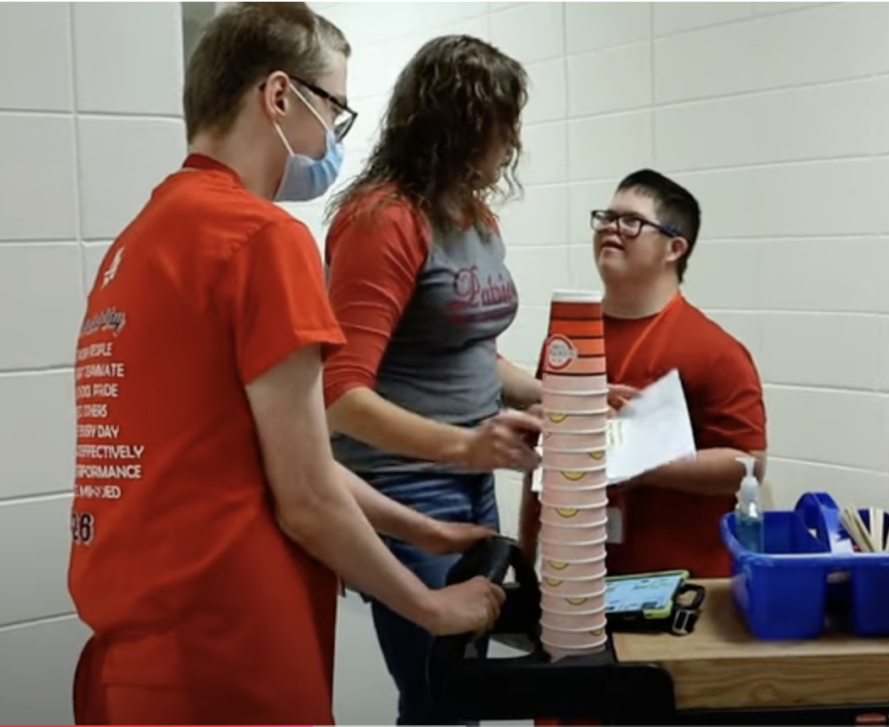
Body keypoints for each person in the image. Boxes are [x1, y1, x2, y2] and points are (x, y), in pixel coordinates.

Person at [68, 6, 504, 725]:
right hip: (230, 652)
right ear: (278, 96)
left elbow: (264, 458)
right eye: (334, 108)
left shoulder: (140, 241)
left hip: (137, 660)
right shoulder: (262, 237)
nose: (335, 137)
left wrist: (423, 531)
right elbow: (303, 498)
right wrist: (429, 604)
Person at [322, 35, 545, 726]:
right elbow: (339, 397)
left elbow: (478, 356)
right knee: (435, 690)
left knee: (462, 685)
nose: (511, 141)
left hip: (471, 482)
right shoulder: (383, 219)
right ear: (461, 122)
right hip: (400, 483)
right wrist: (463, 447)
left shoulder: (476, 218)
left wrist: (564, 396)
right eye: (502, 122)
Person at [520, 169, 768, 579]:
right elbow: (540, 460)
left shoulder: (716, 351)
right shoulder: (567, 341)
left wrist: (631, 458)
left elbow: (749, 465)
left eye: (631, 221)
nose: (611, 229)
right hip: (576, 586)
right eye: (606, 218)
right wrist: (527, 559)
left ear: (674, 248)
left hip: (682, 592)